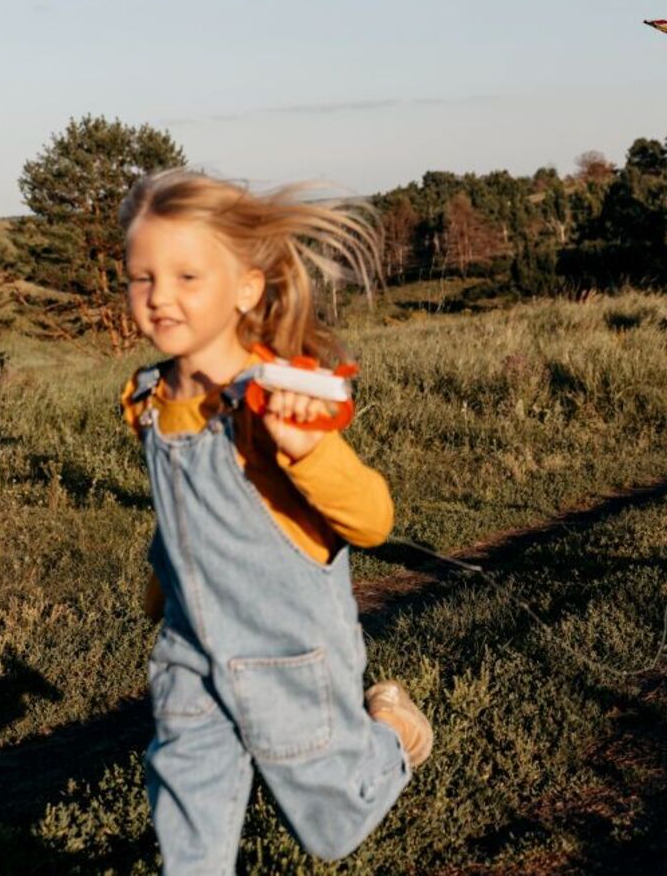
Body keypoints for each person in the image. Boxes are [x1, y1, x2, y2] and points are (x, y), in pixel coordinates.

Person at [118, 168, 431, 873]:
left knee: (330, 826)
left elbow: (373, 521)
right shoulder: (149, 399)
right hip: (190, 655)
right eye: (142, 277)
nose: (160, 296)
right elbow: (185, 516)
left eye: (187, 276)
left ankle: (392, 734)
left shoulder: (275, 398)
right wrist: (162, 587)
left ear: (247, 288)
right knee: (188, 831)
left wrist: (309, 451)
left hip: (287, 654)